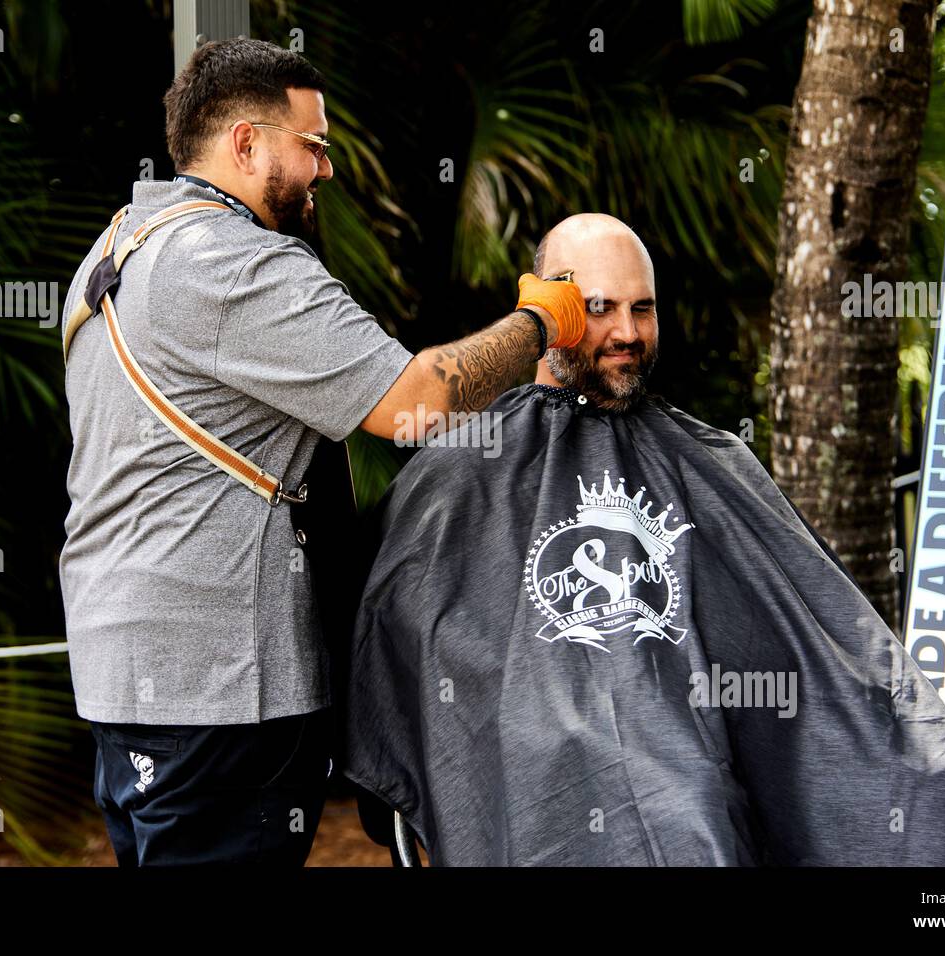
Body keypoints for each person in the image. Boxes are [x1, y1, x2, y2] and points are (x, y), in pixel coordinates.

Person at [58, 38, 585, 866]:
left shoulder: (116, 250)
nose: (326, 171)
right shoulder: (233, 264)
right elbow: (416, 404)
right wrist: (543, 323)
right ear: (245, 143)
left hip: (123, 678)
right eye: (314, 145)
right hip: (223, 690)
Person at [344, 213, 945, 866]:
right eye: (599, 307)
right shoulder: (466, 469)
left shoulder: (710, 460)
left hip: (698, 762)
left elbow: (813, 645)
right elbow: (416, 644)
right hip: (551, 780)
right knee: (677, 820)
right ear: (547, 313)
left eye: (644, 308)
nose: (628, 333)